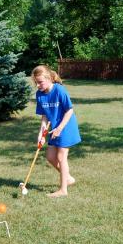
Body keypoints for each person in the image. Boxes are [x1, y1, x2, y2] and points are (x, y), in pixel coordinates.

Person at [32, 65, 81, 198]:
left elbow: (69, 110)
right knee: (50, 157)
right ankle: (68, 178)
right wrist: (41, 134)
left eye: (40, 82)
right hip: (54, 128)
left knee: (61, 157)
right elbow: (44, 116)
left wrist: (59, 128)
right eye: (36, 82)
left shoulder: (59, 90)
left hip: (66, 126)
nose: (38, 85)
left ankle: (63, 190)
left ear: (49, 78)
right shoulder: (40, 94)